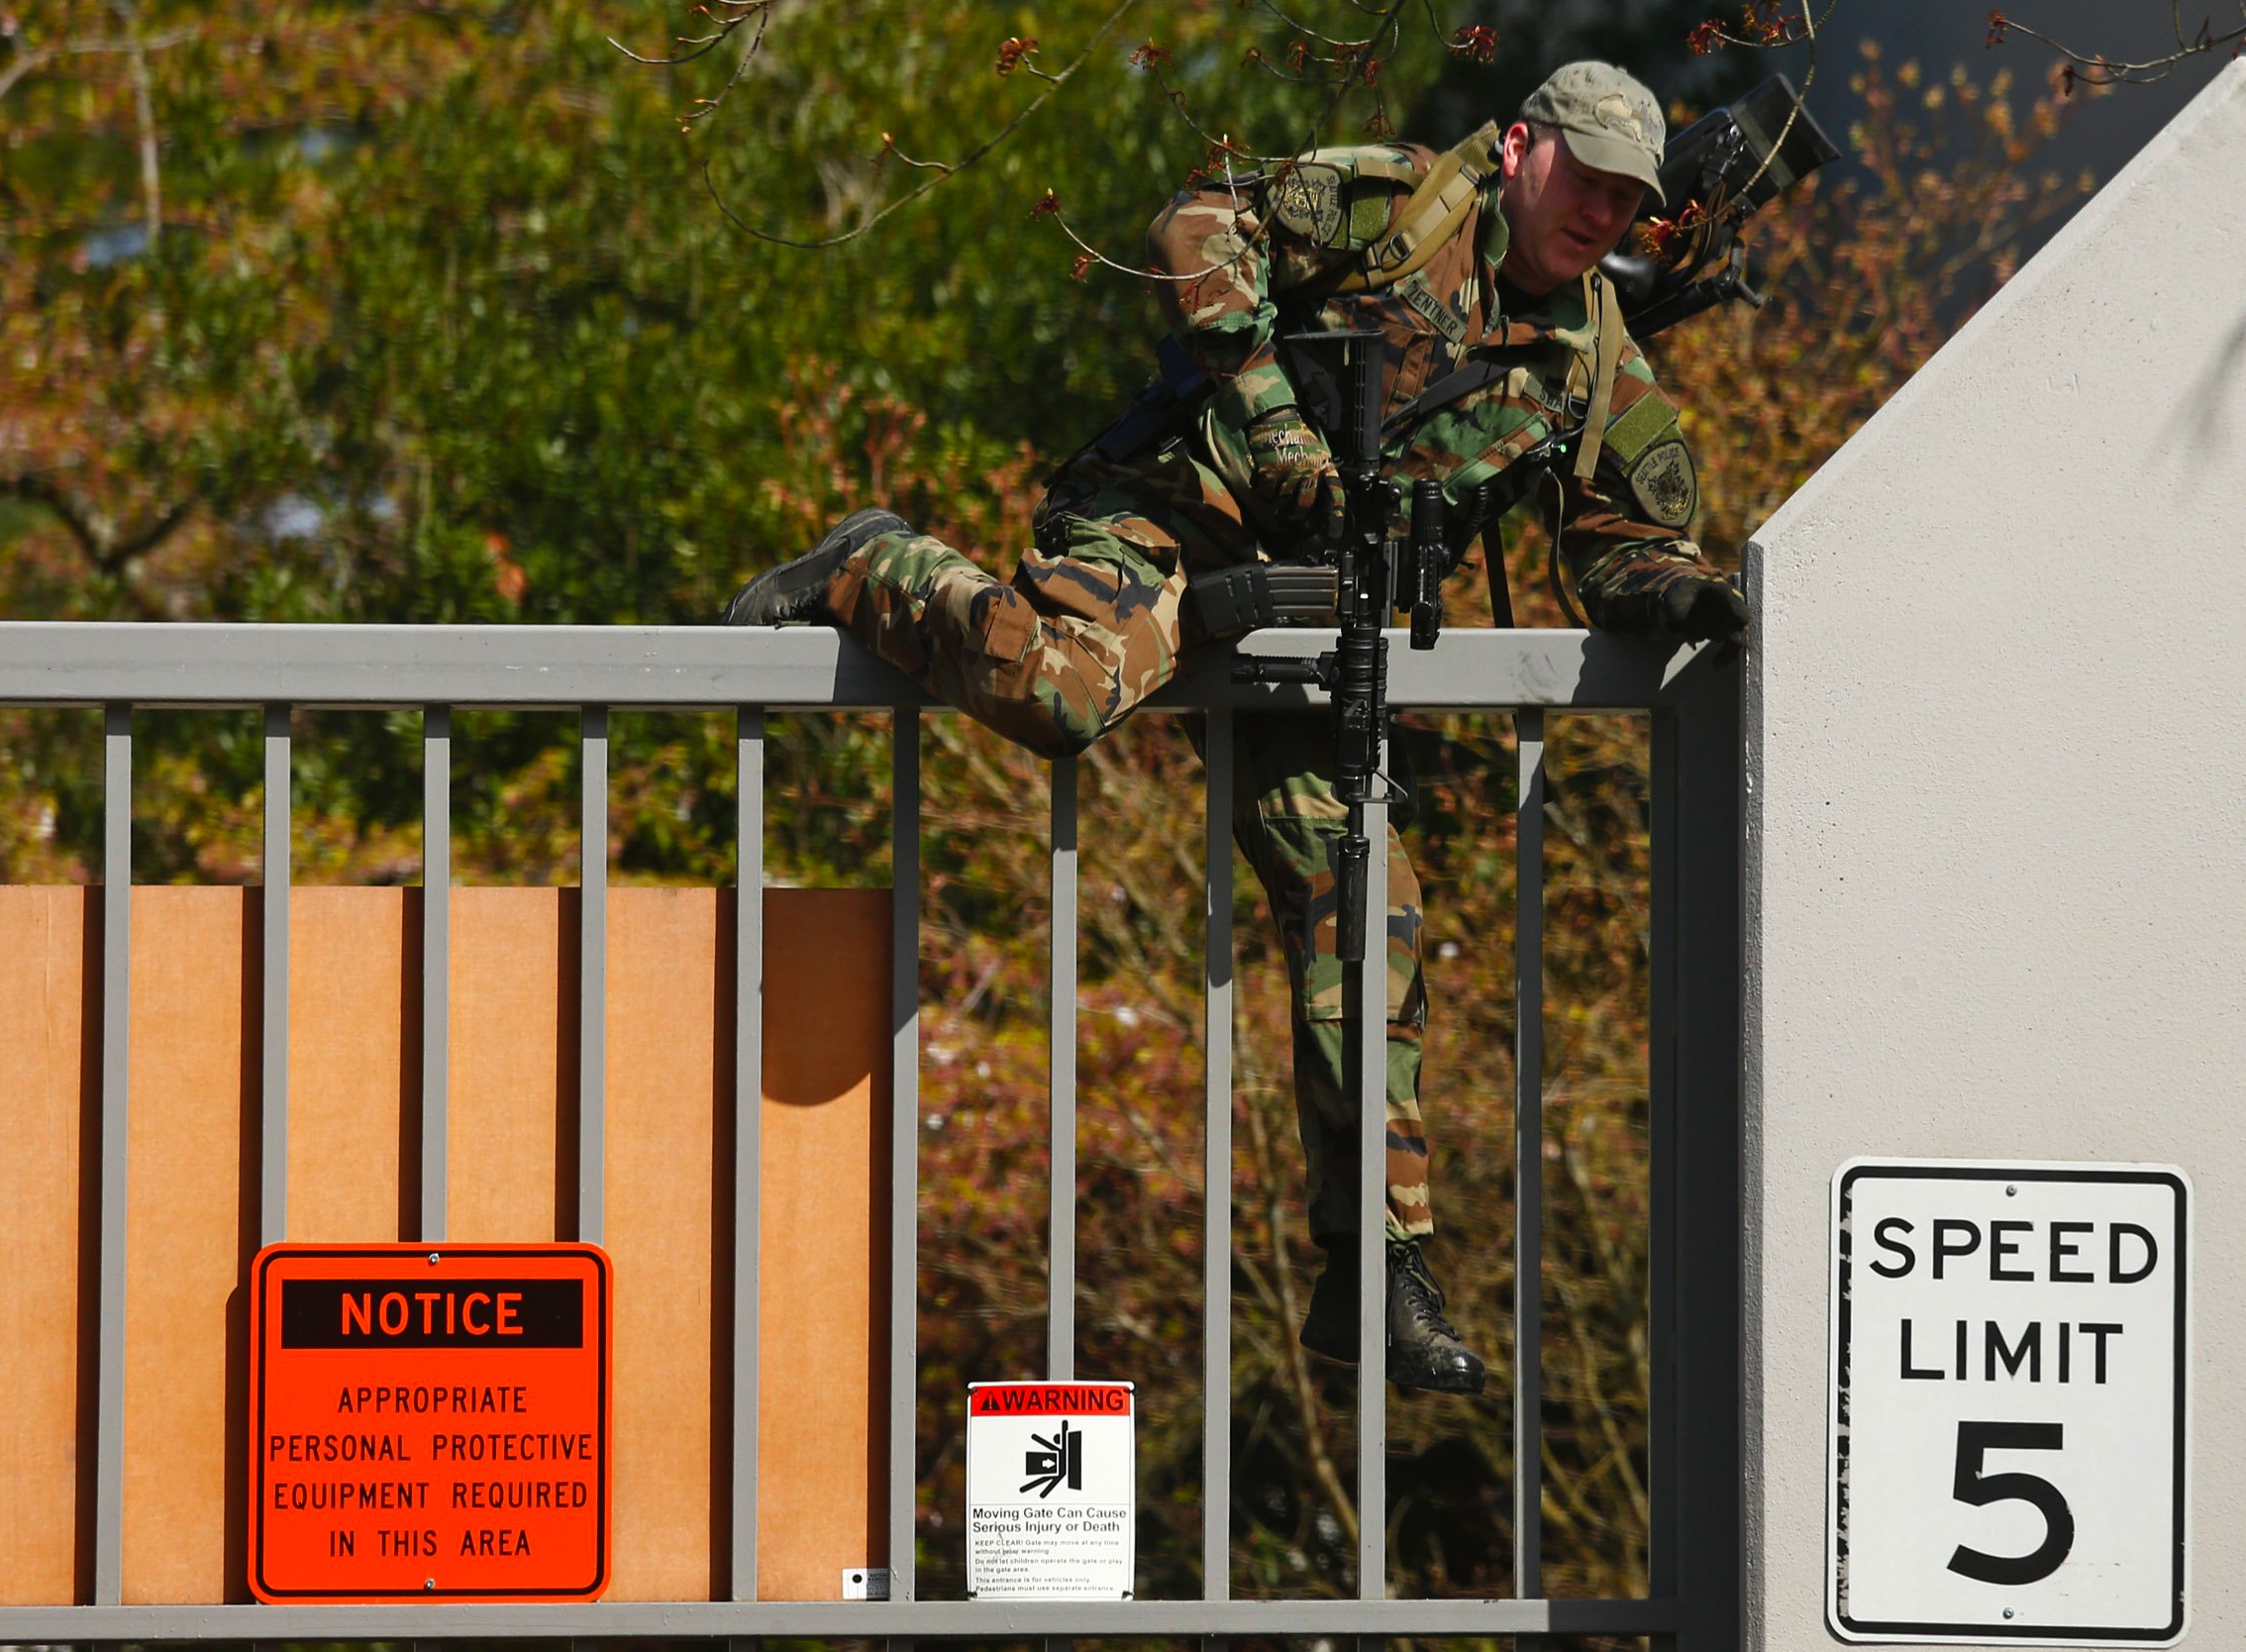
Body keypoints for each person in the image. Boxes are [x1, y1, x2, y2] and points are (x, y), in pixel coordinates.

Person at [722, 61, 1747, 1396]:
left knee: (1362, 897)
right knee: (1064, 692)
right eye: (1587, 178)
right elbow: (1199, 222)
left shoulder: (1593, 352)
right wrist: (1271, 426)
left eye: (1627, 197)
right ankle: (883, 566)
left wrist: (1689, 596)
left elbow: (1620, 541)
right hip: (1174, 523)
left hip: (1323, 624)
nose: (1603, 212)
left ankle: (1376, 1272)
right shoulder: (1395, 207)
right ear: (1517, 152)